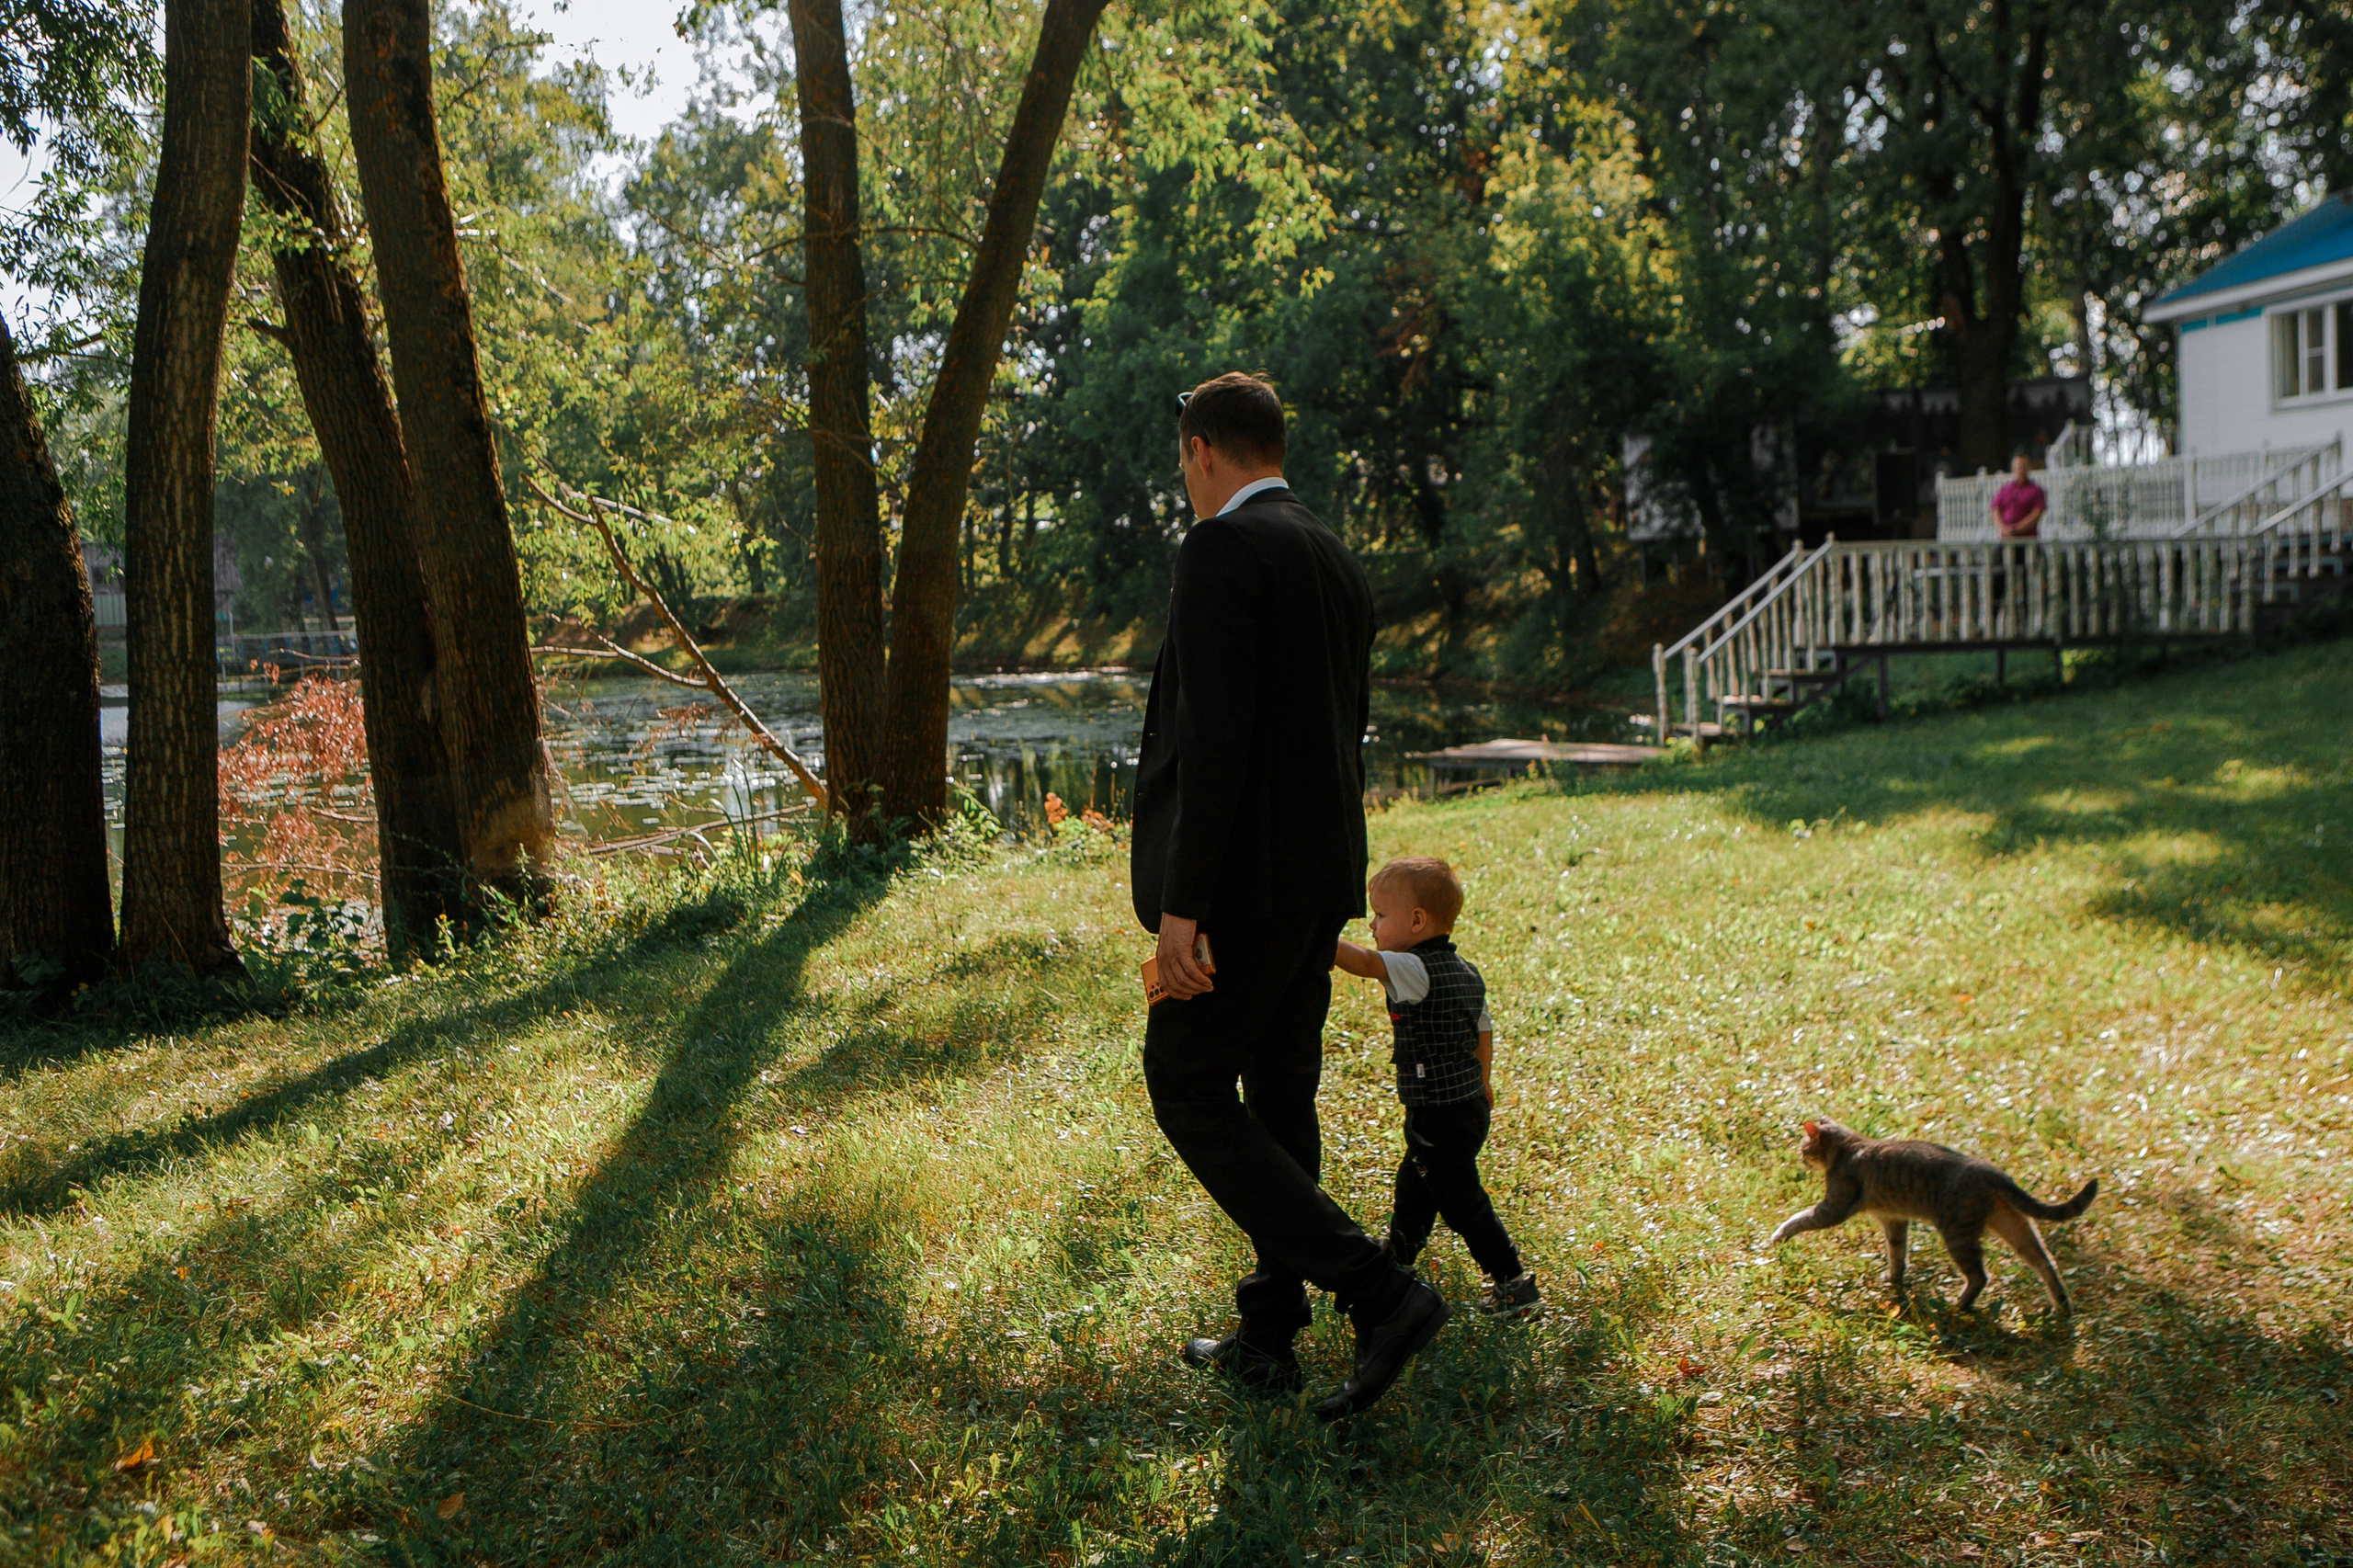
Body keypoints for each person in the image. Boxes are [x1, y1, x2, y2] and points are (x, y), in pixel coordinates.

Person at [1133, 371, 1449, 1422]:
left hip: (1246, 886)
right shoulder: (1330, 553)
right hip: (1318, 878)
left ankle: (1379, 1291)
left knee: (1183, 1081)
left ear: (1199, 450)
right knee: (1276, 1092)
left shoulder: (1221, 548)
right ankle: (1270, 1329)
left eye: (1183, 462)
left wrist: (1183, 908)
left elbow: (1214, 742)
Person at [1333, 857, 1540, 1319]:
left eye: (1381, 915)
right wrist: (1483, 1081)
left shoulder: (1412, 967)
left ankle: (1513, 1282)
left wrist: (1318, 938)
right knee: (1416, 1184)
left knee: (1460, 1199)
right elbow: (1483, 1032)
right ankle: (1396, 1262)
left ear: (1417, 921)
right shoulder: (1466, 972)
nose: (1372, 924)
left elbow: (1365, 962)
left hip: (1438, 1112)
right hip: (1466, 1106)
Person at [1991, 454, 2047, 540]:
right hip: (2006, 539)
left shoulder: (2036, 491)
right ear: (2013, 468)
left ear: (2029, 468)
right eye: (2018, 466)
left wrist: (2016, 529)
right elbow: (1996, 510)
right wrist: (2003, 529)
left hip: (2026, 539)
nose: (2020, 469)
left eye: (2023, 466)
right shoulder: (2004, 489)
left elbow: (2036, 513)